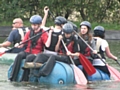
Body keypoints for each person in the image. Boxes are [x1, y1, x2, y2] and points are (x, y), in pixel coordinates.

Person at [20, 16, 67, 81]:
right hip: (47, 53)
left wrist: (45, 14)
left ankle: (33, 73)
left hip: (52, 54)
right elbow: (41, 25)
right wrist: (46, 14)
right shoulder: (53, 31)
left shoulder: (57, 32)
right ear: (62, 24)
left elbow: (42, 25)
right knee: (33, 57)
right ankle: (28, 76)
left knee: (40, 55)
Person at [9, 8, 50, 81]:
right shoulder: (29, 33)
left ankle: (24, 80)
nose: (33, 26)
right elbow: (23, 44)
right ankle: (13, 77)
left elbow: (47, 45)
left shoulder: (43, 34)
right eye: (32, 24)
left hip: (37, 53)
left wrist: (50, 34)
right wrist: (18, 44)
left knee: (29, 58)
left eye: (35, 25)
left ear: (39, 24)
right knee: (19, 55)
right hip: (28, 51)